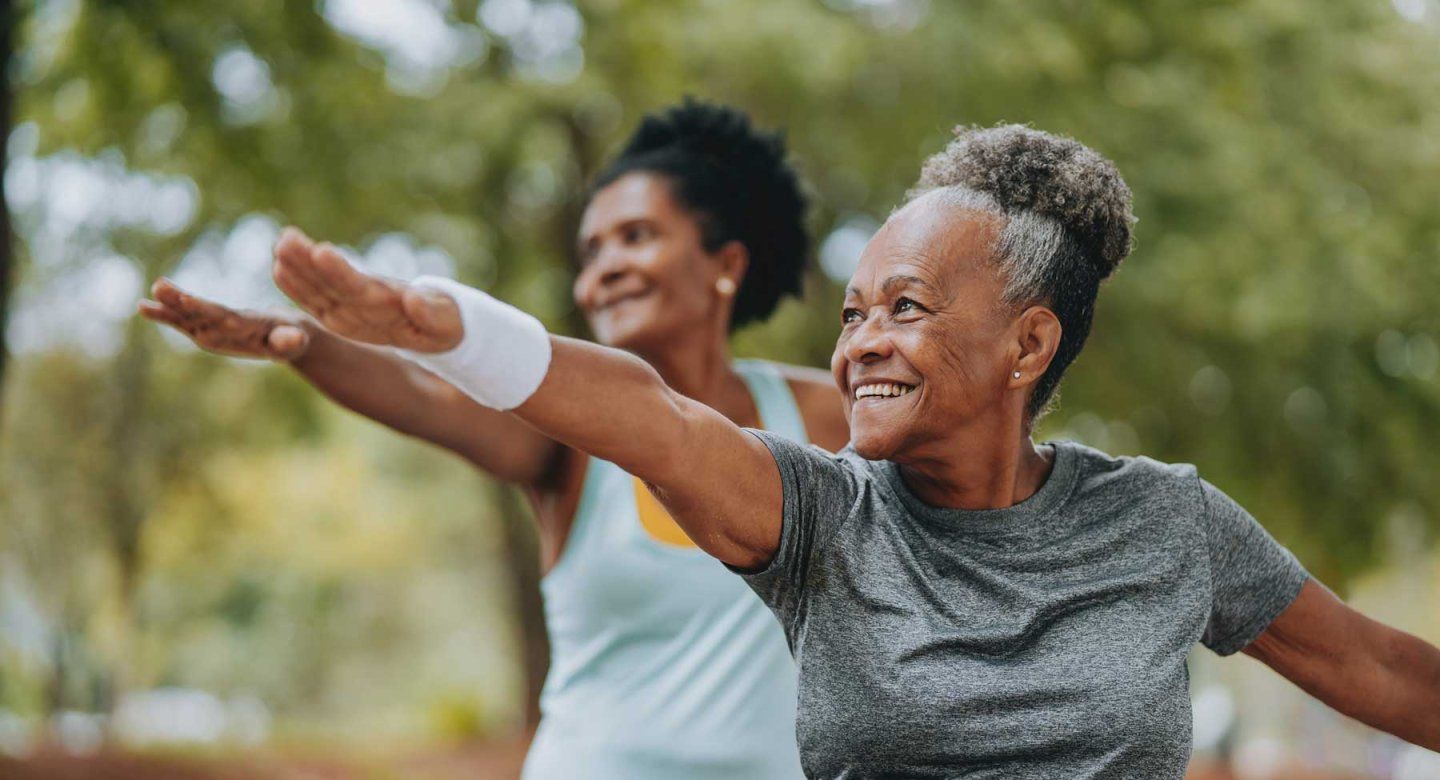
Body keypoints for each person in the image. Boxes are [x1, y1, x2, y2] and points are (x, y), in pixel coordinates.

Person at [260, 123, 1440, 778]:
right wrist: (456, 332)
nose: (863, 343)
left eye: (908, 309)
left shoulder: (1167, 524)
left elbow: (1386, 675)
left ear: (1030, 343)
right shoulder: (816, 517)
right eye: (853, 312)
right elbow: (650, 414)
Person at [139, 99, 846, 779]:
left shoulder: (819, 414)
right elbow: (424, 396)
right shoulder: (569, 440)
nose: (604, 270)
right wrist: (300, 343)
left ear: (726, 264)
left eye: (637, 236)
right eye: (590, 251)